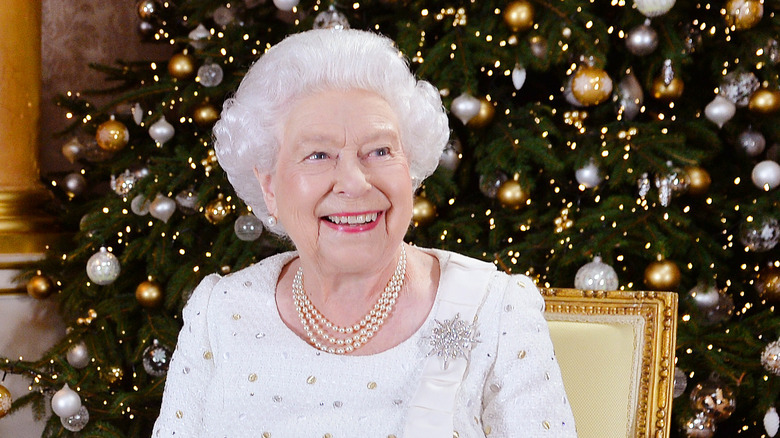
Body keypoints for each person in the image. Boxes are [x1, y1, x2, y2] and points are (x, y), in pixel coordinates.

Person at [153, 29, 576, 438]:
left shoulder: (494, 309)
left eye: (379, 151)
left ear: (409, 169)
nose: (354, 182)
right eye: (318, 154)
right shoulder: (220, 313)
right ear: (270, 188)